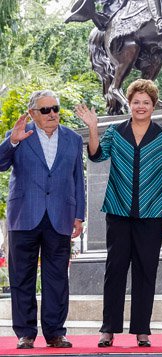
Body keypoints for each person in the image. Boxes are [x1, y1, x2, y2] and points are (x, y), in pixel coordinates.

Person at [77, 80, 162, 348]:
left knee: (146, 271)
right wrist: (93, 128)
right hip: (118, 211)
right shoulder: (115, 132)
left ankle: (142, 330)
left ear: (153, 106)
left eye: (146, 102)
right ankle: (108, 329)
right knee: (115, 270)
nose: (141, 106)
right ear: (129, 104)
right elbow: (97, 156)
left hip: (152, 213)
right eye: (136, 102)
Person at [1, 90, 85, 349]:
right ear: (33, 113)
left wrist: (79, 215)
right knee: (21, 277)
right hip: (24, 215)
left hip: (60, 216)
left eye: (55, 109)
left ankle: (55, 332)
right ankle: (25, 333)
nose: (52, 114)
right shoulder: (19, 134)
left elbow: (78, 179)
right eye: (45, 110)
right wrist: (11, 142)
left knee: (57, 278)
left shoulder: (73, 139)